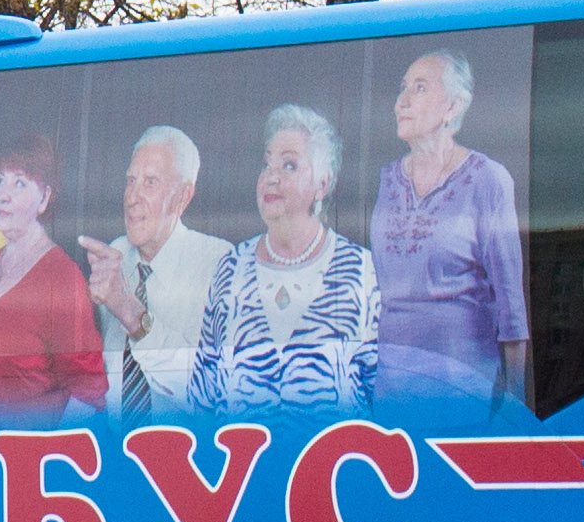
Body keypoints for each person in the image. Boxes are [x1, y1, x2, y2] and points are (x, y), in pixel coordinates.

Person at [191, 104, 379, 408]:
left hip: (334, 455)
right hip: (244, 455)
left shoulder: (361, 271)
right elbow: (203, 395)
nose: (271, 178)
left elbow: (385, 397)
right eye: (267, 165)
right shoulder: (231, 269)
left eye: (289, 166)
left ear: (322, 183)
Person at [372, 46, 529, 405]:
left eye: (420, 88)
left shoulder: (488, 180)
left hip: (463, 396)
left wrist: (514, 408)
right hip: (391, 401)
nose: (401, 102)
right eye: (403, 88)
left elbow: (511, 308)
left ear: (452, 107)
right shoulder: (385, 180)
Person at [0, 137, 104, 412]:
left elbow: (88, 394)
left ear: (44, 197)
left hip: (30, 449)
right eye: (0, 180)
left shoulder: (62, 277)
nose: (3, 194)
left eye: (20, 182)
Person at [79, 124, 229, 413]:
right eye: (130, 180)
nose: (132, 197)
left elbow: (208, 386)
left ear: (183, 196)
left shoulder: (218, 264)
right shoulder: (116, 253)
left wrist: (128, 311)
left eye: (150, 182)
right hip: (112, 452)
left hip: (187, 452)